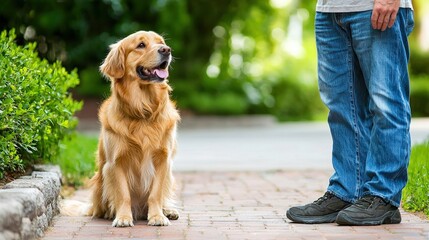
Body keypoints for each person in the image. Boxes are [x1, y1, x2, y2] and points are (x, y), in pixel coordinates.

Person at [286, 0, 414, 225]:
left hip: (376, 6)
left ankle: (384, 196)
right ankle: (348, 192)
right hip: (330, 10)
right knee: (342, 108)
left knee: (386, 105)